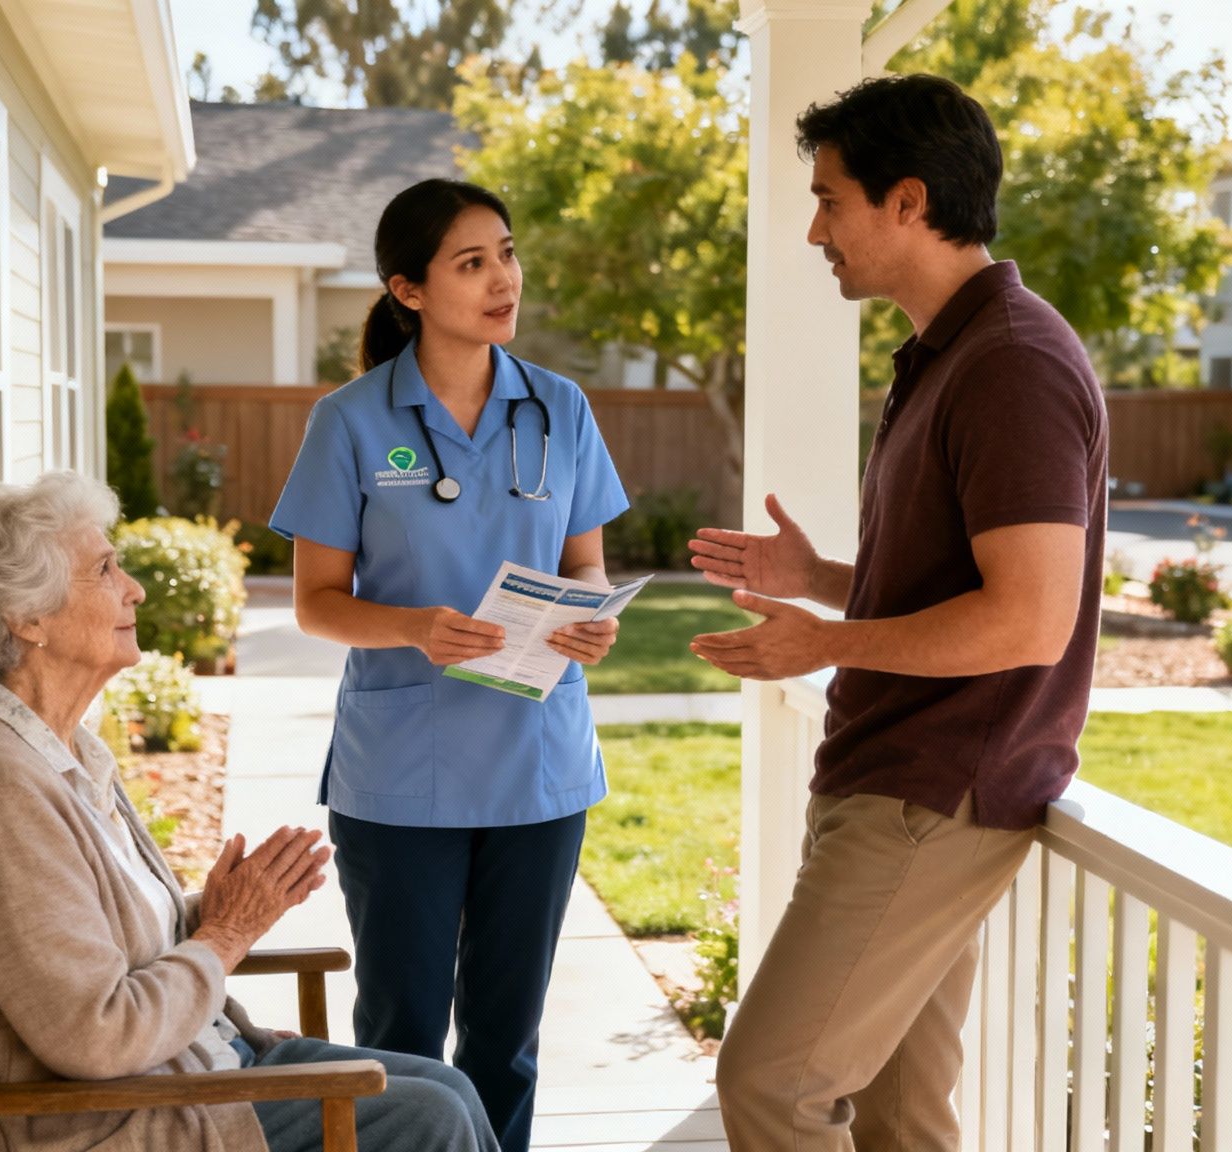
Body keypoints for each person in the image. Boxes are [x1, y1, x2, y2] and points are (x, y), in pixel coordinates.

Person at [687, 74, 1109, 1150]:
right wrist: (823, 576)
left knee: (770, 1084)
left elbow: (1027, 621)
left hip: (934, 793)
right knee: (898, 1115)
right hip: (898, 777)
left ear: (908, 202)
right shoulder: (947, 355)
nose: (816, 228)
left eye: (831, 198)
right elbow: (953, 587)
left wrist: (825, 641)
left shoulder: (1009, 362)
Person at [0, 471, 501, 1152]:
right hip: (100, 1124)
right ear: (26, 618)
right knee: (427, 1118)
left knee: (452, 1089)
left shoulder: (59, 748)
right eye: (106, 569)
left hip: (184, 1070)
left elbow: (105, 946)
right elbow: (99, 1035)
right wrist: (228, 934)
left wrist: (226, 909)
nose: (134, 589)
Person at [269, 178, 631, 1152]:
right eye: (470, 262)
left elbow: (584, 565)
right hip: (401, 780)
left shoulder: (558, 409)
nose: (501, 278)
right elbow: (315, 603)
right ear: (409, 290)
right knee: (399, 1041)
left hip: (539, 770)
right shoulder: (348, 422)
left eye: (505, 253)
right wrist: (416, 627)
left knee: (506, 1044)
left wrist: (589, 620)